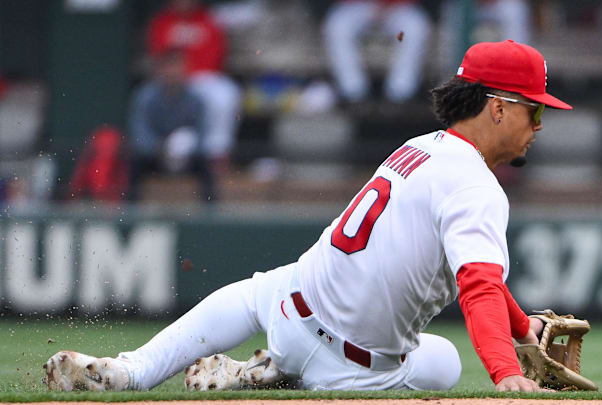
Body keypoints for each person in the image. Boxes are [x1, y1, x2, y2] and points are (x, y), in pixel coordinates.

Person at [43, 40, 572, 392]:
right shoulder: (477, 186)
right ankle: (276, 376)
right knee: (445, 366)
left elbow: (475, 272)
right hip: (351, 370)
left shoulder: (424, 147)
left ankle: (136, 370)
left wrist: (523, 330)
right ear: (498, 107)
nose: (540, 123)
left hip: (287, 301)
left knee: (264, 293)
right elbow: (478, 284)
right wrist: (507, 374)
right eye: (535, 109)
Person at [148, 0, 242, 175]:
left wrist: (191, 72)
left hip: (202, 76)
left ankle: (217, 155)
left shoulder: (209, 19)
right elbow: (159, 55)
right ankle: (168, 161)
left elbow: (216, 54)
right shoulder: (163, 21)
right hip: (171, 79)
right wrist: (176, 74)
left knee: (225, 94)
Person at [127, 49, 216, 202]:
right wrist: (162, 147)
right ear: (159, 71)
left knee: (206, 167)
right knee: (135, 163)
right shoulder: (145, 96)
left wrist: (187, 146)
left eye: (177, 68)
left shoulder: (196, 98)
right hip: (155, 155)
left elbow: (203, 133)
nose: (173, 73)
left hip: (187, 156)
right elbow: (140, 134)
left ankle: (211, 215)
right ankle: (130, 210)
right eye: (168, 68)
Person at [323, 0, 431, 103]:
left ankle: (401, 92)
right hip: (357, 7)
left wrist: (387, 5)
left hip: (397, 9)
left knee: (413, 29)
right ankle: (353, 91)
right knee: (339, 27)